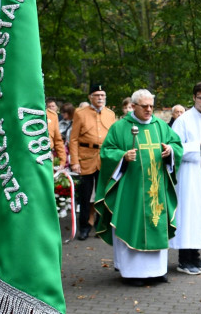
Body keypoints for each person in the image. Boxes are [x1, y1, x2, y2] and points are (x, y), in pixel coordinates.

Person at [95, 89, 183, 285]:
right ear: (134, 106)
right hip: (131, 190)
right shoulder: (120, 127)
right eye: (145, 106)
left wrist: (170, 151)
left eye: (152, 106)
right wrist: (122, 156)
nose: (149, 110)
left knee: (156, 221)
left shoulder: (160, 125)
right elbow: (107, 151)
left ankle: (158, 272)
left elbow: (176, 145)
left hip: (156, 188)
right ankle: (133, 273)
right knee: (131, 224)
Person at [169, 83, 201, 274]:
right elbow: (175, 147)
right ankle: (184, 258)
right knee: (188, 214)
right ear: (194, 98)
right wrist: (197, 144)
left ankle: (196, 256)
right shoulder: (182, 120)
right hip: (188, 172)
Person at [70, 84, 117, 239]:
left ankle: (100, 226)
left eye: (103, 95)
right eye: (97, 95)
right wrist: (75, 161)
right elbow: (74, 139)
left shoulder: (110, 114)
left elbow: (113, 138)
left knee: (103, 193)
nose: (100, 98)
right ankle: (84, 227)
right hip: (86, 158)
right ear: (90, 97)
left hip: (104, 158)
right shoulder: (80, 113)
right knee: (85, 195)